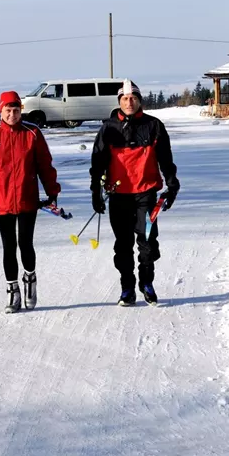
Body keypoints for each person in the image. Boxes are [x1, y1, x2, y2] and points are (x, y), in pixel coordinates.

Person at [0, 90, 61, 313]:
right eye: (8, 111)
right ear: (1, 111)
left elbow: (45, 165)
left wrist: (52, 191)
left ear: (21, 111)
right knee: (9, 247)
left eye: (16, 110)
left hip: (28, 200)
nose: (12, 115)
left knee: (25, 244)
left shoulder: (32, 134)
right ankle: (13, 291)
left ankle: (30, 280)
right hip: (3, 202)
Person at [89, 80, 179, 305]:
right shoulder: (108, 128)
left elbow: (165, 159)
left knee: (148, 242)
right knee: (123, 244)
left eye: (133, 99)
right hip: (118, 196)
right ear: (119, 101)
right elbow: (98, 161)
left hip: (146, 195)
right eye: (125, 99)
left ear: (140, 101)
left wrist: (172, 184)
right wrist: (95, 191)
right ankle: (127, 287)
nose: (129, 102)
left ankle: (146, 283)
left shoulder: (154, 126)